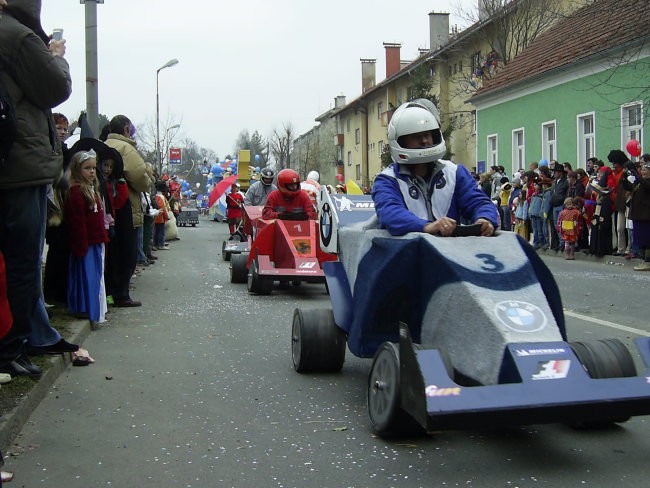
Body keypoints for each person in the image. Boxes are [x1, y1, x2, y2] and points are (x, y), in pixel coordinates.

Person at [0, 0, 77, 378]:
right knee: (22, 262)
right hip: (20, 165)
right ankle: (15, 345)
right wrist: (57, 56)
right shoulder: (16, 34)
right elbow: (55, 86)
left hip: (10, 161)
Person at [372, 99, 497, 237]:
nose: (424, 141)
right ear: (400, 141)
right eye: (416, 136)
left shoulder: (454, 173)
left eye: (427, 135)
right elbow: (390, 213)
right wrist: (426, 226)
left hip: (448, 254)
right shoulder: (387, 180)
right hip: (406, 254)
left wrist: (485, 219)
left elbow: (478, 201)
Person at [102, 115, 149, 307]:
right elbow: (139, 176)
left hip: (109, 203)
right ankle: (121, 294)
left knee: (113, 252)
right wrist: (148, 181)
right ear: (127, 129)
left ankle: (109, 293)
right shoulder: (126, 148)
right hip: (124, 203)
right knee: (127, 252)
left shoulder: (105, 143)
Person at [64, 150, 108, 323]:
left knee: (96, 277)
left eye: (93, 168)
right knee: (87, 277)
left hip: (96, 241)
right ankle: (85, 307)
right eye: (87, 168)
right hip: (86, 244)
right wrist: (81, 245)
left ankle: (94, 308)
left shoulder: (91, 190)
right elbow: (77, 222)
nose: (91, 172)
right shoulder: (76, 192)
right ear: (77, 169)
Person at [622, 157, 650, 270]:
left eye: (645, 170)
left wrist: (637, 175)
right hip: (638, 215)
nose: (642, 172)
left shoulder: (646, 182)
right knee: (640, 240)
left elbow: (645, 185)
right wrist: (624, 178)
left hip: (646, 215)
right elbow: (630, 187)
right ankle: (643, 261)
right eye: (642, 170)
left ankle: (647, 262)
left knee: (647, 239)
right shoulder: (640, 182)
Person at [608, 150, 629, 256]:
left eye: (614, 163)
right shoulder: (615, 173)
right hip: (617, 202)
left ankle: (625, 248)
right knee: (618, 227)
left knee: (624, 228)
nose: (613, 165)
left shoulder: (624, 173)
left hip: (623, 202)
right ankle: (621, 248)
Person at [548, 161, 569, 251]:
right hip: (554, 206)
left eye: (555, 171)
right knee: (557, 226)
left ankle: (564, 243)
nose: (554, 173)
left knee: (562, 225)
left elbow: (566, 193)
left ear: (560, 172)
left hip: (561, 205)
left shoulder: (565, 182)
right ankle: (560, 243)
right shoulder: (554, 182)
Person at [153, 181, 171, 250]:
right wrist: (167, 216)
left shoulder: (155, 196)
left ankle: (155, 244)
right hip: (161, 217)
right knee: (161, 232)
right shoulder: (161, 197)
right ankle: (161, 244)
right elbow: (163, 208)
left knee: (156, 231)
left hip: (156, 216)